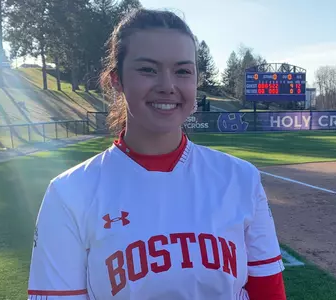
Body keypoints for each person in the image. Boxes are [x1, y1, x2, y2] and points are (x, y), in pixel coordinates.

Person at [27, 8, 287, 300]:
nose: (167, 86)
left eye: (182, 71)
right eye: (148, 69)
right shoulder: (69, 192)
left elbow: (269, 293)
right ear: (117, 80)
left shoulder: (241, 179)